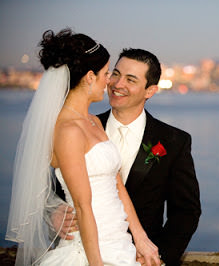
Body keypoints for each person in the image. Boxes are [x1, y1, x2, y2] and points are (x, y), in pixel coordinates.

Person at [6, 28, 160, 266]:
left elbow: (116, 183)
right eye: (107, 73)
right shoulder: (68, 131)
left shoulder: (94, 121)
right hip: (90, 248)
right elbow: (82, 205)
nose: (110, 81)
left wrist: (139, 237)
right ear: (90, 77)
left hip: (119, 241)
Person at [58, 48, 202, 265]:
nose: (117, 84)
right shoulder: (81, 128)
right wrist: (53, 212)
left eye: (130, 79)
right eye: (115, 74)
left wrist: (158, 258)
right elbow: (53, 186)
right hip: (79, 250)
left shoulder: (174, 141)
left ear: (150, 91)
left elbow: (186, 211)